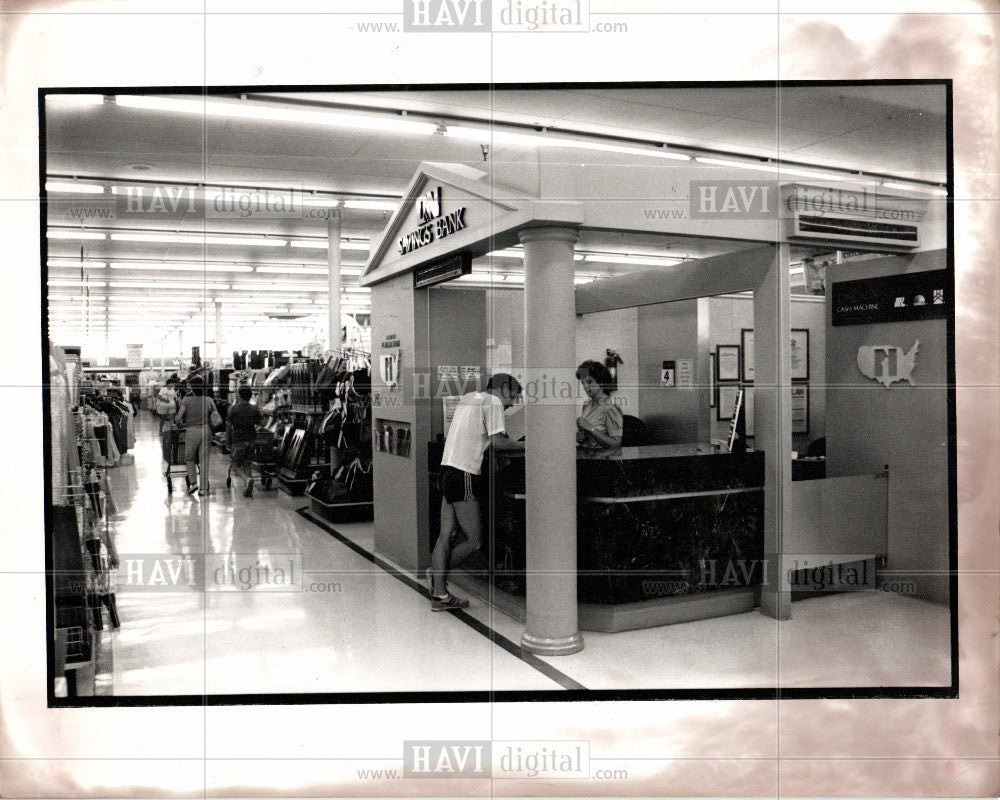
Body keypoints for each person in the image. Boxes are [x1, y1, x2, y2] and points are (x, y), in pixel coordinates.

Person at [431, 373, 523, 611]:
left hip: (446, 471)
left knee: (446, 534)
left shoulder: (470, 397)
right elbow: (498, 442)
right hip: (464, 475)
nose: (512, 403)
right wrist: (529, 444)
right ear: (503, 388)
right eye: (512, 396)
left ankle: (439, 592)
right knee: (474, 541)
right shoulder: (493, 402)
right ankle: (438, 580)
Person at [175, 377, 221, 496]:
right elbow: (216, 416)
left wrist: (181, 424)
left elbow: (178, 418)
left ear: (192, 387)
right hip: (206, 430)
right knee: (204, 461)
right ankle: (204, 489)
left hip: (192, 431)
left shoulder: (186, 400)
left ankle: (193, 483)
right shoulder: (208, 400)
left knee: (189, 458)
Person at [575, 360, 623, 451]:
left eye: (589, 382)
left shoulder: (610, 408)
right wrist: (581, 437)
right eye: (583, 383)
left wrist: (590, 428)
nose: (585, 387)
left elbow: (616, 445)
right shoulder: (587, 405)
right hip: (587, 456)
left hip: (602, 461)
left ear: (600, 382)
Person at [226, 385, 263, 498]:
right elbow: (262, 423)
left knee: (235, 464)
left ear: (239, 395)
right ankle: (249, 489)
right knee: (247, 463)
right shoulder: (254, 408)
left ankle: (247, 479)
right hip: (251, 440)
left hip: (238, 440)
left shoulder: (234, 409)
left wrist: (228, 441)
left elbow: (228, 426)